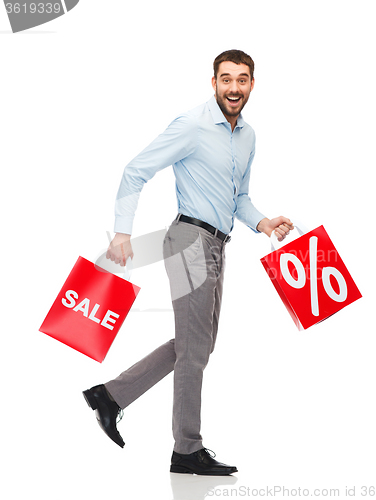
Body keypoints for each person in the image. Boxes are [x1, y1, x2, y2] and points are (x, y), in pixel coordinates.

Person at [82, 49, 293, 475]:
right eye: (226, 78)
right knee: (196, 349)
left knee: (197, 345)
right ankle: (186, 450)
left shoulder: (248, 137)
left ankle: (110, 395)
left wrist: (265, 223)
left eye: (243, 79)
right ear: (213, 82)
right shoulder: (193, 125)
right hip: (187, 241)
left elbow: (239, 200)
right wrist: (123, 232)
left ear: (253, 85)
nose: (234, 87)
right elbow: (134, 171)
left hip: (218, 244)